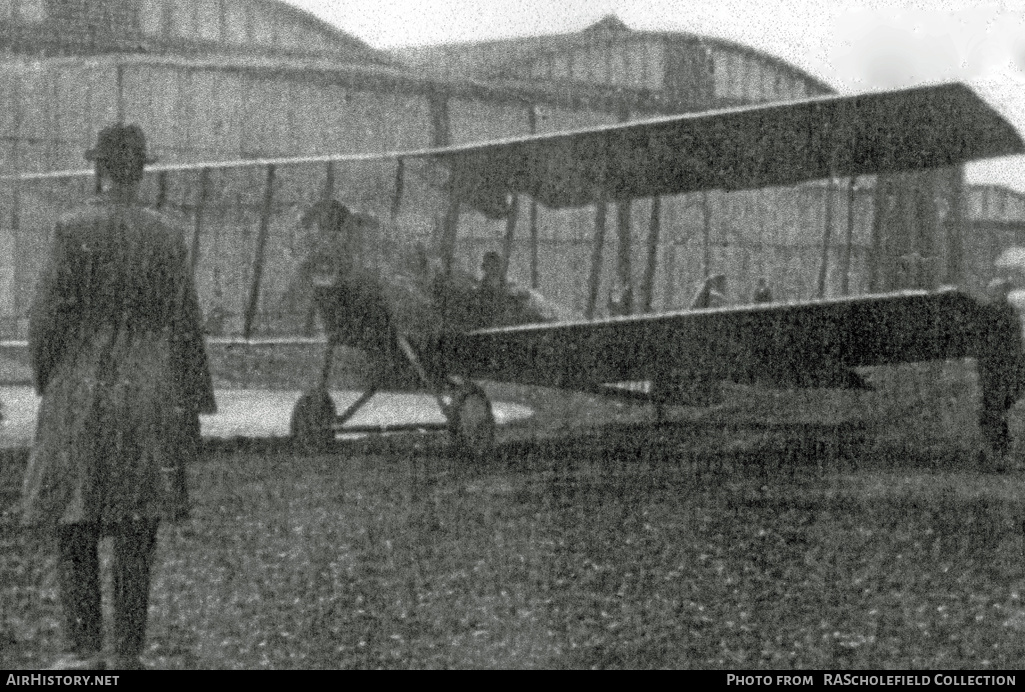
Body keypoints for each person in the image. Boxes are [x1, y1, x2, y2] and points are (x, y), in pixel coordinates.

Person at [20, 124, 216, 670]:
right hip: (149, 393)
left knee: (74, 521)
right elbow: (185, 325)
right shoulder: (168, 234)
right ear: (142, 170)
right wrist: (191, 404)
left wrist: (48, 382)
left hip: (80, 391)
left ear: (99, 168)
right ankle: (129, 657)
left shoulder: (71, 227)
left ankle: (84, 658)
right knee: (138, 527)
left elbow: (45, 321)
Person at [976, 278, 1025, 469]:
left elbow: (987, 344)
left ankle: (998, 454)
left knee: (995, 413)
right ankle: (1000, 454)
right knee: (998, 413)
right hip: (1002, 372)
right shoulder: (1008, 314)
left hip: (998, 373)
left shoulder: (993, 314)